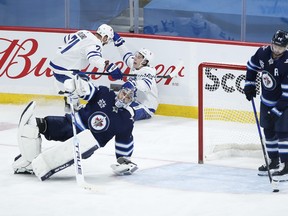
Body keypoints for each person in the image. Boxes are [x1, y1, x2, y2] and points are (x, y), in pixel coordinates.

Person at [12, 74, 138, 181]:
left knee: (84, 141)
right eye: (124, 93)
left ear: (131, 101)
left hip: (86, 143)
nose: (124, 98)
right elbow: (88, 90)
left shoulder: (126, 119)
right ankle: (29, 161)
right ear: (120, 91)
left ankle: (38, 164)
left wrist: (124, 160)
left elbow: (124, 140)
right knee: (33, 124)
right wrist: (76, 86)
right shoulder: (105, 93)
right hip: (69, 124)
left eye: (128, 97)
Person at [244, 29, 288, 180]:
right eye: (275, 46)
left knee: (283, 133)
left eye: (281, 47)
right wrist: (249, 84)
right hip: (266, 101)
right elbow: (251, 66)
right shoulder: (262, 52)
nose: (277, 50)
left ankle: (286, 166)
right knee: (268, 131)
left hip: (284, 104)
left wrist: (275, 112)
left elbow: (286, 95)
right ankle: (274, 161)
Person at [49, 23, 123, 110]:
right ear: (105, 37)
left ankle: (71, 101)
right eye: (108, 39)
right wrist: (110, 67)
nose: (106, 42)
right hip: (64, 69)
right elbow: (94, 59)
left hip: (57, 63)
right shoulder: (95, 44)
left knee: (83, 78)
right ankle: (73, 106)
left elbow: (66, 39)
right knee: (83, 85)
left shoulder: (84, 32)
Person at [111, 32, 159, 121]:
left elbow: (145, 86)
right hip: (133, 101)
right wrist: (118, 41)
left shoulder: (149, 71)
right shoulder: (135, 64)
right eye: (136, 55)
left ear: (144, 61)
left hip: (147, 107)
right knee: (112, 105)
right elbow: (126, 55)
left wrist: (132, 83)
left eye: (139, 57)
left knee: (126, 115)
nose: (135, 58)